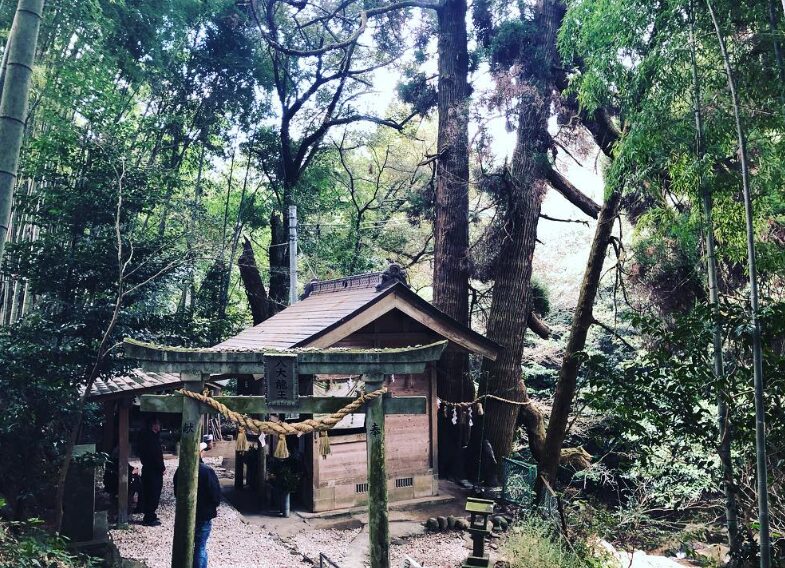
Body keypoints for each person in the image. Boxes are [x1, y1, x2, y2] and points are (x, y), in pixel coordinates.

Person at [174, 442, 221, 568]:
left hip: (185, 514)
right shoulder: (207, 471)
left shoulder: (180, 470)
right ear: (200, 454)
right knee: (200, 546)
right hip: (204, 514)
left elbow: (176, 493)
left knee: (186, 545)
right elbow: (216, 495)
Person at [136, 416, 165, 526]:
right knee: (152, 493)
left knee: (150, 492)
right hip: (153, 470)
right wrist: (161, 467)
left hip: (148, 468)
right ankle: (148, 517)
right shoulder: (150, 439)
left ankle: (150, 514)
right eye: (158, 424)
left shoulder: (148, 437)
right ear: (153, 425)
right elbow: (155, 455)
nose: (159, 426)